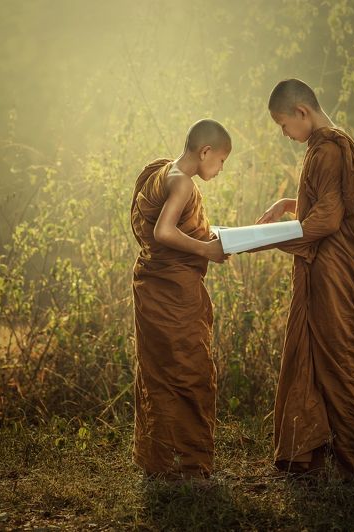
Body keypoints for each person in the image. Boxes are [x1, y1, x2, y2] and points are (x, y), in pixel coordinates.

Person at [256, 79, 354, 481]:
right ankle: (317, 452)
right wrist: (288, 204)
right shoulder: (336, 141)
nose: (285, 134)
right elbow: (333, 201)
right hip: (326, 266)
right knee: (319, 351)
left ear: (302, 113)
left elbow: (327, 219)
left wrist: (275, 237)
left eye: (283, 124)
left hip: (333, 270)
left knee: (340, 355)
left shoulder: (327, 150)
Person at [130, 118, 231, 479]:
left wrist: (209, 235)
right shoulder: (181, 182)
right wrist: (208, 249)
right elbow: (164, 231)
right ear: (205, 152)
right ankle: (190, 466)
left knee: (158, 371)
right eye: (220, 161)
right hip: (172, 289)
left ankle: (159, 462)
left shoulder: (163, 172)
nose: (220, 170)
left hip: (154, 283)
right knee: (191, 371)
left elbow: (169, 227)